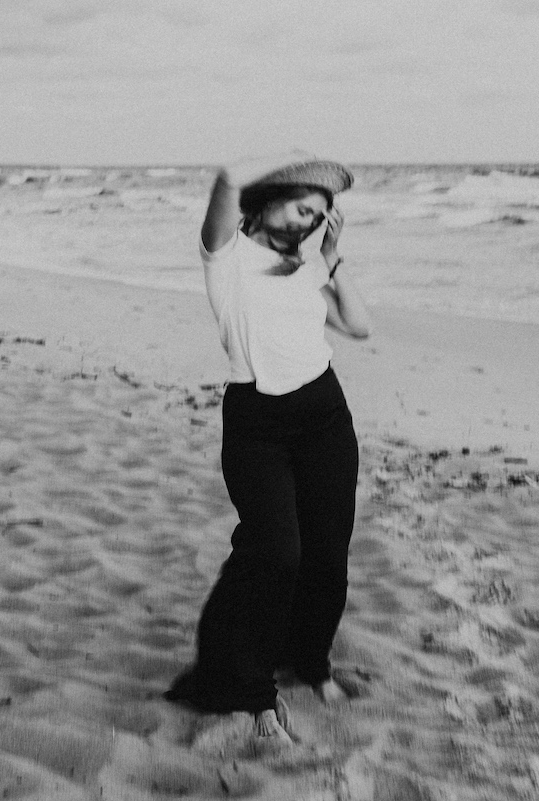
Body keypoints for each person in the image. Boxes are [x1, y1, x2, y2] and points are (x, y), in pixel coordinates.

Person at [165, 150, 371, 740]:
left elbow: (359, 326)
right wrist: (288, 161)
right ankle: (249, 688)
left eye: (321, 215)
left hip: (325, 414)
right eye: (305, 206)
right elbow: (227, 177)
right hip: (258, 422)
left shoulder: (303, 267)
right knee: (274, 554)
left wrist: (332, 259)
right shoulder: (226, 257)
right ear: (270, 199)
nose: (312, 220)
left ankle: (311, 662)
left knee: (327, 554)